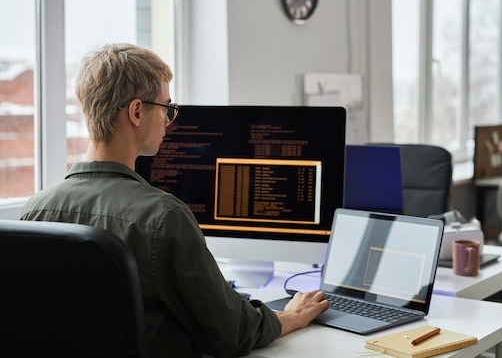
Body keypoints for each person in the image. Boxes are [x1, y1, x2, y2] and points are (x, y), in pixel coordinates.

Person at [20, 43, 329, 358]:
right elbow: (230, 333)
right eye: (166, 107)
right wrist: (288, 317)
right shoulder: (164, 217)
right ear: (137, 112)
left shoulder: (35, 210)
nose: (169, 120)